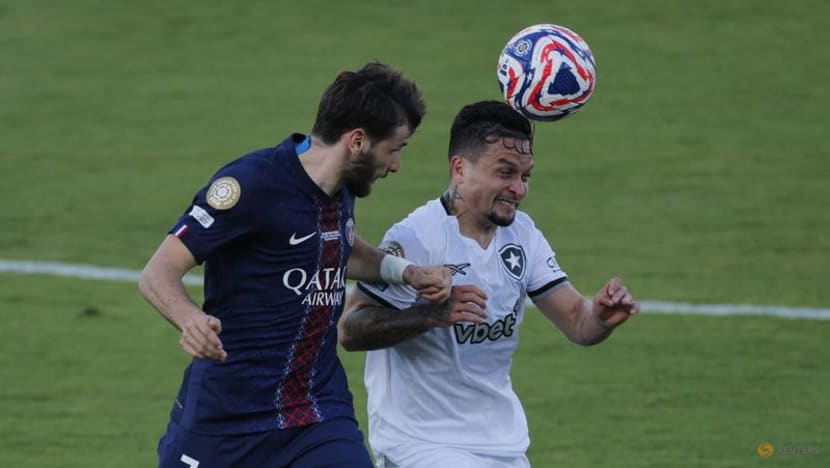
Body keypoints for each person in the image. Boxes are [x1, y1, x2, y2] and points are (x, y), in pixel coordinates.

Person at [138, 62, 452, 468]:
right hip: (226, 421)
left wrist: (407, 273)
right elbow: (158, 272)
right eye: (394, 149)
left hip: (316, 415)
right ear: (357, 141)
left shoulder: (342, 187)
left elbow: (338, 246)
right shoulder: (252, 185)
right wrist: (190, 319)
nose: (395, 165)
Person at [338, 100, 640, 468]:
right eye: (505, 173)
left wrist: (601, 317)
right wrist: (430, 315)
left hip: (502, 445)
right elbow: (350, 329)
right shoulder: (417, 238)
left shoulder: (523, 236)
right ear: (459, 169)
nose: (519, 188)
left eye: (525, 176)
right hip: (421, 445)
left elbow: (578, 321)